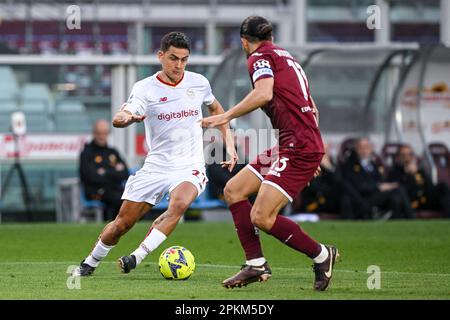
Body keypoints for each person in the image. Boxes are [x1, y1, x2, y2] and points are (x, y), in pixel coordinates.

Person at [73, 32, 236, 277]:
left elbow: (217, 109)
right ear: (160, 56)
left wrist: (230, 145)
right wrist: (125, 119)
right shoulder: (145, 88)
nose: (179, 65)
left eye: (184, 59)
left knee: (179, 205)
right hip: (156, 167)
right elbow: (121, 116)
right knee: (122, 224)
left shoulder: (199, 82)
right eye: (173, 58)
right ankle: (90, 262)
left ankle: (136, 257)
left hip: (189, 164)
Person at [201, 16, 339, 291]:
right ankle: (255, 263)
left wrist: (225, 116)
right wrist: (315, 147)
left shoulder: (259, 57)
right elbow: (312, 106)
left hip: (298, 146)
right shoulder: (287, 57)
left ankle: (322, 255)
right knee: (234, 190)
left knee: (262, 216)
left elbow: (263, 94)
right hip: (293, 143)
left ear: (244, 42)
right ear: (270, 35)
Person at [341, 137, 413, 219]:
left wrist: (385, 186)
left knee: (396, 196)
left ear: (371, 149)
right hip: (363, 198)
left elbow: (380, 180)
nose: (364, 151)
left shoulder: (373, 165)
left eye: (367, 147)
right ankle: (412, 217)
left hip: (376, 196)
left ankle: (398, 220)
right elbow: (357, 186)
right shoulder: (350, 165)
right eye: (361, 148)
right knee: (398, 189)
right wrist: (379, 187)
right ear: (356, 149)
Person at [79, 119, 129, 221]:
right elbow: (92, 177)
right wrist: (114, 171)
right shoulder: (87, 153)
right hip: (95, 192)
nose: (102, 136)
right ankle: (111, 226)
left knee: (131, 199)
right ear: (94, 133)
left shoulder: (113, 152)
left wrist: (105, 172)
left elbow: (125, 174)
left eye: (105, 133)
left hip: (115, 189)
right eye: (99, 133)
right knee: (116, 199)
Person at [388, 145, 450, 217]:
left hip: (426, 201)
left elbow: (430, 187)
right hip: (411, 204)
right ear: (397, 158)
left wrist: (416, 173)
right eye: (403, 155)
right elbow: (402, 192)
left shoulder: (420, 171)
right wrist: (409, 175)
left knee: (443, 186)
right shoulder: (394, 173)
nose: (407, 157)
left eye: (410, 154)